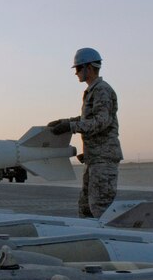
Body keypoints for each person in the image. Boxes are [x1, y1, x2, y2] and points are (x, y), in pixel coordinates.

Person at [48, 48, 123, 218]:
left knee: (101, 209)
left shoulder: (102, 90)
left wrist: (71, 127)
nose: (76, 73)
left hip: (103, 160)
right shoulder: (93, 91)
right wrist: (67, 122)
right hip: (94, 159)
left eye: (78, 68)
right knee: (86, 208)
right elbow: (88, 117)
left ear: (88, 68)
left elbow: (101, 121)